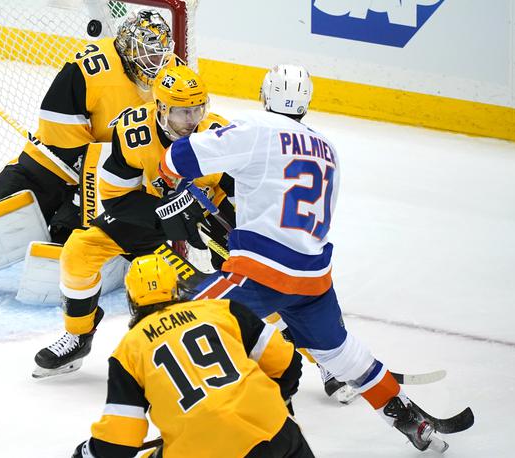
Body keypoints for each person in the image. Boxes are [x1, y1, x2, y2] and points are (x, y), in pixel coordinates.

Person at [157, 64, 473, 452]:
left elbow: (176, 161)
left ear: (264, 95)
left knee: (182, 319)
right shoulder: (328, 150)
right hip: (313, 278)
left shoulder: (255, 127)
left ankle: (192, 424)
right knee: (343, 356)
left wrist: (174, 163)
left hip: (261, 272)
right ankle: (409, 417)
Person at [32, 65, 234, 378]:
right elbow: (116, 199)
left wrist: (233, 238)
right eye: (182, 113)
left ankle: (257, 343)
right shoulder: (133, 132)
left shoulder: (218, 134)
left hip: (207, 213)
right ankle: (78, 335)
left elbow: (240, 192)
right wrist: (167, 215)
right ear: (161, 108)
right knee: (79, 252)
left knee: (242, 273)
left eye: (197, 110)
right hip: (147, 216)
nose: (191, 121)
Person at [71, 254, 314, 458]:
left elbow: (118, 443)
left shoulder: (129, 350)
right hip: (278, 434)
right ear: (177, 288)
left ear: (131, 300)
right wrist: (271, 400)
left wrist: (87, 452)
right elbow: (287, 363)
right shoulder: (222, 310)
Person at [0, 9, 175, 243]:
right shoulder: (91, 67)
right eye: (148, 54)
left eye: (161, 55)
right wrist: (83, 160)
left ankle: (67, 235)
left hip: (113, 177)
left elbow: (180, 126)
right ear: (128, 47)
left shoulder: (172, 75)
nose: (156, 64)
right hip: (57, 160)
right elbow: (56, 119)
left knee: (67, 239)